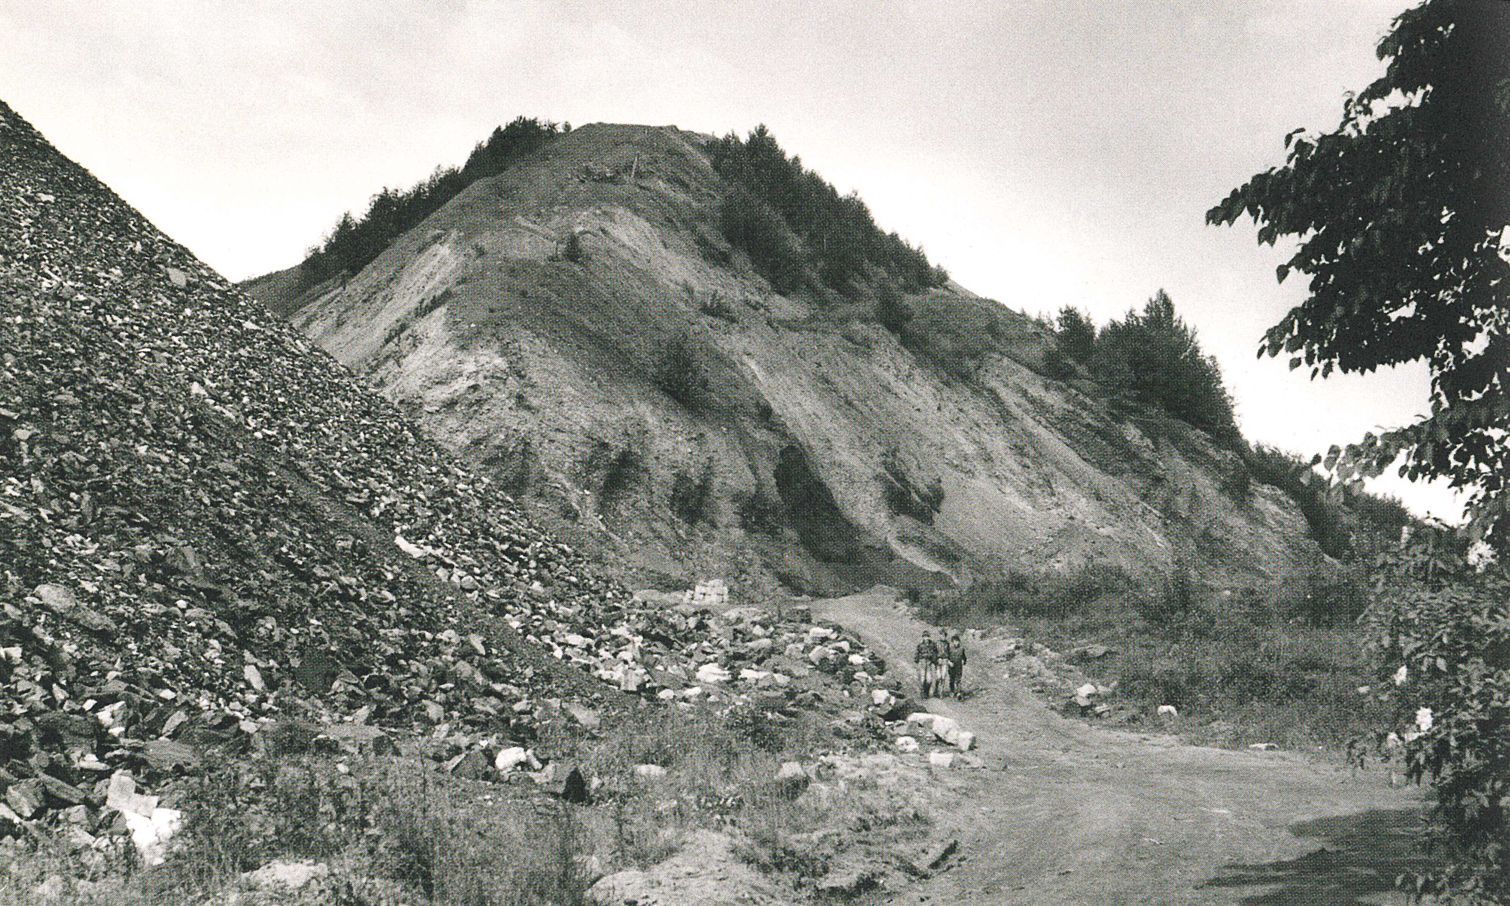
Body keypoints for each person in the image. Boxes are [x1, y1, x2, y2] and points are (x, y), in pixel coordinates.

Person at [914, 631, 941, 698]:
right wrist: (917, 661)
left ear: (929, 637)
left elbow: (936, 653)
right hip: (922, 662)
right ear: (923, 637)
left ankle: (926, 691)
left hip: (929, 663)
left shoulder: (932, 644)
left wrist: (934, 660)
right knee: (922, 679)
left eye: (927, 637)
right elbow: (917, 654)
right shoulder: (920, 645)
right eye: (924, 637)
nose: (926, 638)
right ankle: (923, 693)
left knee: (929, 680)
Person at [946, 631, 967, 698]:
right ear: (952, 642)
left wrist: (964, 661)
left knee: (958, 679)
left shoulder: (961, 649)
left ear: (959, 642)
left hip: (959, 666)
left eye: (957, 641)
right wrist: (949, 662)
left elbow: (964, 657)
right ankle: (952, 691)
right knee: (952, 679)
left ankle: (958, 692)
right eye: (954, 641)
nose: (956, 643)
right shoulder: (950, 649)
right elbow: (947, 657)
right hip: (951, 666)